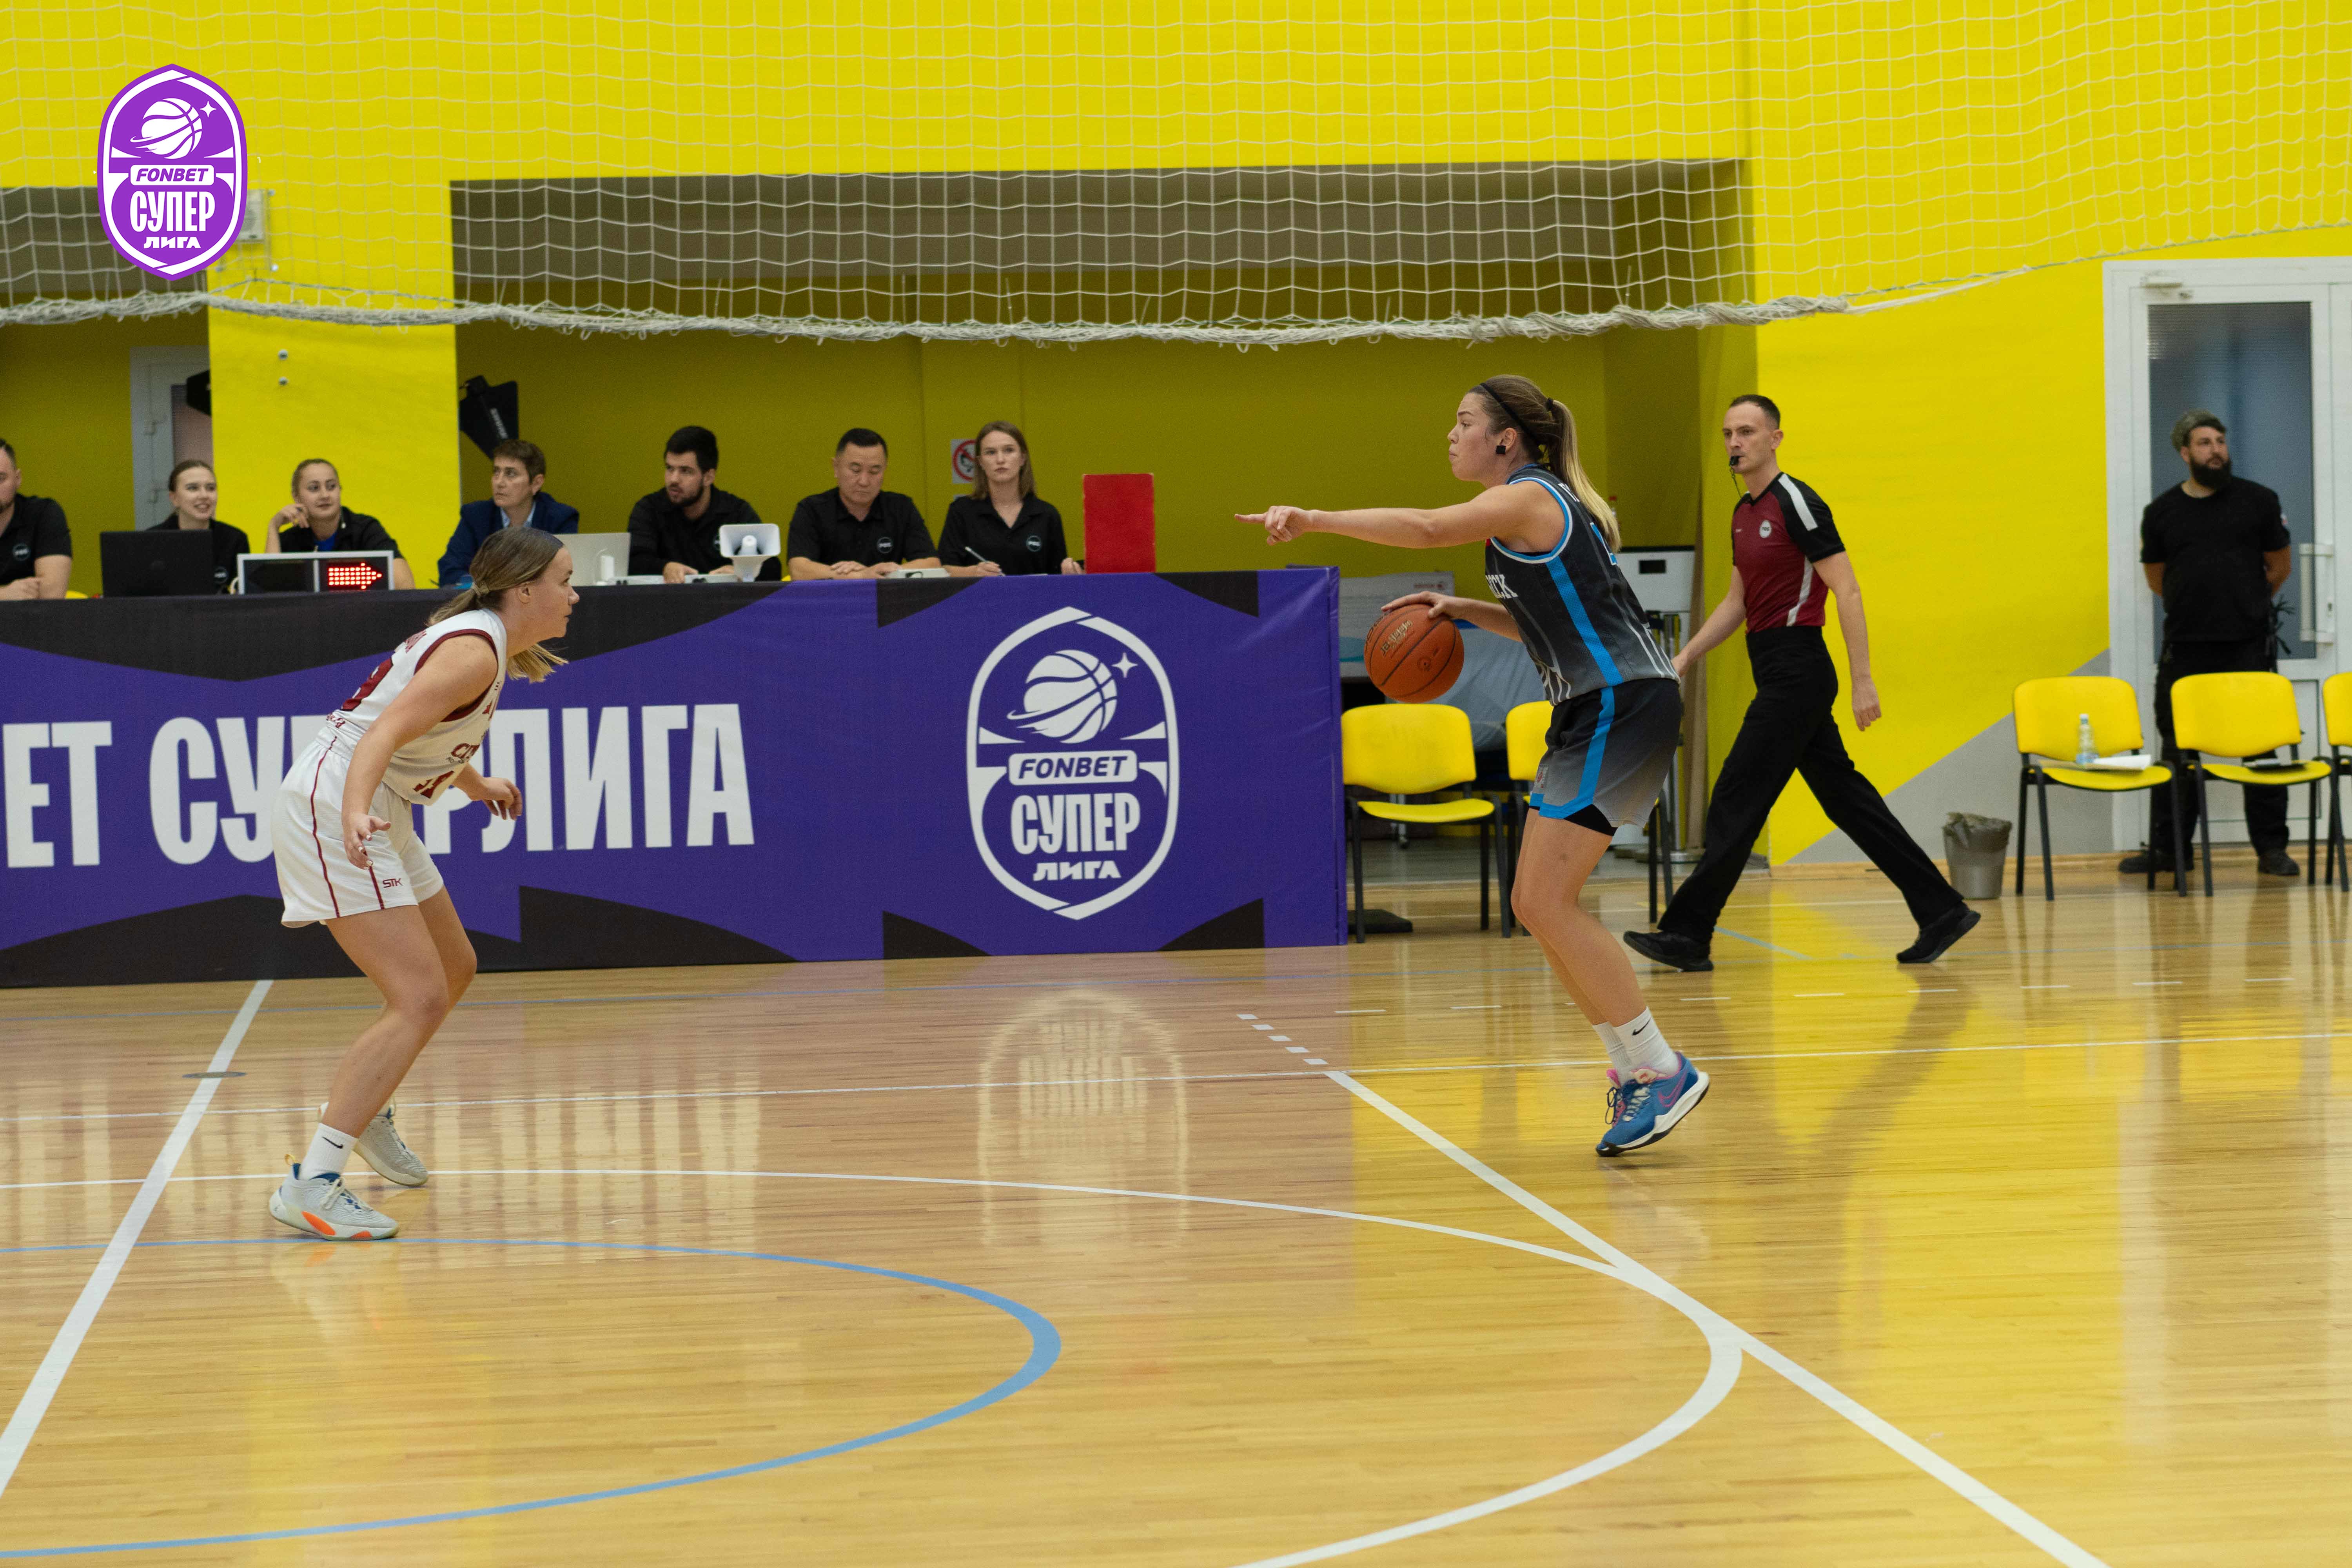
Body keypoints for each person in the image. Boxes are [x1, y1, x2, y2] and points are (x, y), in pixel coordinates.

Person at [1243, 376, 1706, 1158]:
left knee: (1549, 901)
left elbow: (1428, 528)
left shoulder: (1529, 497)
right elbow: (1548, 627)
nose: (1451, 435)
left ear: (1505, 439)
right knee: (1534, 902)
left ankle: (1661, 1067)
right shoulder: (1527, 513)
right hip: (1594, 705)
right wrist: (1464, 611)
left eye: (1463, 423)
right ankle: (1637, 1067)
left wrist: (1314, 519)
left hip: (1620, 701)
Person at [266, 526, 575, 1239]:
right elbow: (378, 736)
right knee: (419, 996)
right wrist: (353, 811)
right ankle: (312, 1184)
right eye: (564, 580)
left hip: (378, 803)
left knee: (454, 968)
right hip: (338, 803)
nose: (574, 594)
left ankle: (368, 1109)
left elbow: (417, 734)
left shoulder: (486, 644)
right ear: (524, 590)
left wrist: (473, 783)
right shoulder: (474, 652)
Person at [1623, 395, 1977, 974]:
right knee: (1847, 800)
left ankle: (1688, 932)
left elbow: (1848, 588)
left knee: (1736, 794)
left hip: (1799, 669)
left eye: (1747, 432)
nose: (1735, 443)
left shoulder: (1798, 502)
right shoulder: (1742, 513)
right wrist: (1686, 655)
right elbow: (1737, 602)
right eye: (1728, 433)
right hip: (1773, 665)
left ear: (1775, 439)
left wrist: (1864, 681)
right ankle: (1942, 910)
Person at [2127, 410, 2298, 878]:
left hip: (2247, 644)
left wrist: (2244, 604)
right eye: (2204, 443)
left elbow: (2279, 567)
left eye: (2220, 441)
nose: (2216, 450)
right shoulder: (2161, 512)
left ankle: (2272, 850)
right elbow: (2159, 579)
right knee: (2178, 751)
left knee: (2261, 746)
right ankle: (2170, 851)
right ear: (2185, 453)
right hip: (2186, 648)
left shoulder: (2259, 501)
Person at [785, 428, 940, 581]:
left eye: (874, 472)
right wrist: (859, 575)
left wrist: (887, 571)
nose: (864, 481)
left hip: (886, 595)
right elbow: (799, 570)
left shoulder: (901, 508)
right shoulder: (812, 510)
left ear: (885, 470)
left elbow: (932, 563)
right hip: (828, 597)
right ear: (836, 468)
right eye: (855, 470)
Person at [627, 425, 772, 582]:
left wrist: (744, 571)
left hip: (723, 598)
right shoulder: (649, 509)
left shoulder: (736, 512)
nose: (674, 479)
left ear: (709, 477)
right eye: (670, 468)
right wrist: (664, 568)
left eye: (686, 471)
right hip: (666, 598)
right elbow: (633, 562)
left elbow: (772, 568)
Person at [937, 421, 1082, 577]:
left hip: (1033, 594)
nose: (1000, 459)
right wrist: (973, 572)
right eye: (991, 452)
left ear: (1023, 458)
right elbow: (945, 570)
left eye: (1009, 450)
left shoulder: (1047, 515)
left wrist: (1071, 572)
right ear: (980, 463)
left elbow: (1057, 577)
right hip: (980, 594)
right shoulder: (961, 511)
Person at [438, 438, 580, 588]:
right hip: (488, 601)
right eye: (496, 472)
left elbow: (568, 576)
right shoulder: (476, 517)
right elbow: (450, 572)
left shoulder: (559, 519)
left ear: (536, 483)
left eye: (511, 474)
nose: (499, 482)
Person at [265, 458, 416, 590]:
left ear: (340, 490)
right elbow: (270, 593)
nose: (325, 495)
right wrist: (273, 526)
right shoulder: (291, 539)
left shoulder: (365, 529)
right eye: (314, 488)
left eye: (331, 486)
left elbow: (405, 586)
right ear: (296, 497)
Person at [143, 460, 250, 593]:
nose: (204, 496)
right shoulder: (152, 541)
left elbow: (244, 596)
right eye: (193, 488)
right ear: (174, 498)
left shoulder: (234, 539)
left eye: (211, 488)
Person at [0, 440, 72, 601]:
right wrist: (5, 594)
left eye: (0, 478)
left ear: (18, 479)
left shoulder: (43, 514)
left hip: (32, 618)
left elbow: (52, 595)